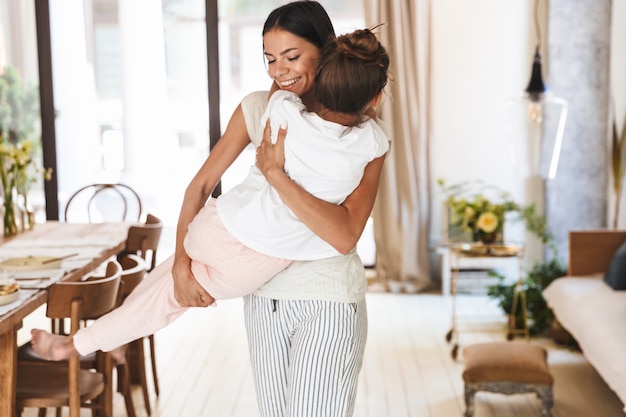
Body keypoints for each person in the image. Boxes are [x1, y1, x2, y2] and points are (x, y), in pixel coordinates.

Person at [30, 22, 390, 370]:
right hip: (251, 264)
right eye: (270, 59)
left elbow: (278, 99)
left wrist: (273, 173)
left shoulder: (281, 113)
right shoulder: (372, 142)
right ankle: (76, 344)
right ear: (373, 97)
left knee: (163, 286)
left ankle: (114, 333)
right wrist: (365, 101)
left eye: (291, 57)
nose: (279, 70)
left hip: (220, 225)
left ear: (323, 57)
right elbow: (201, 184)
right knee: (168, 291)